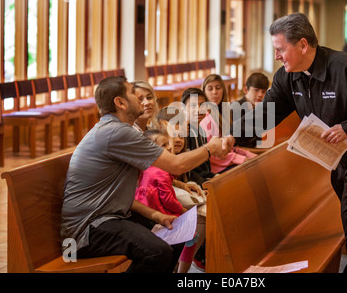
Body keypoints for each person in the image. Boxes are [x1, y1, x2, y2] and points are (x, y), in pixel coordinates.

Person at [233, 13, 347, 273]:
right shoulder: (287, 76)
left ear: (303, 45)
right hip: (334, 157)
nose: (276, 56)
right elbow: (265, 115)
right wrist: (230, 135)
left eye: (280, 49)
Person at [61, 76, 232, 273]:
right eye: (134, 94)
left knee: (174, 236)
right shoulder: (116, 132)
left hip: (108, 218)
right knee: (157, 252)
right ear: (121, 102)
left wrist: (155, 215)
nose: (141, 100)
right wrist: (210, 148)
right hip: (86, 231)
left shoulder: (119, 130)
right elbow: (176, 165)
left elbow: (115, 194)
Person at [134, 129, 205, 273]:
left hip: (146, 212)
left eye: (168, 143)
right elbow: (168, 199)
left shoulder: (146, 167)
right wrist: (183, 211)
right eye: (164, 145)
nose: (169, 147)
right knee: (191, 234)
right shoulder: (162, 172)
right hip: (160, 213)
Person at [201, 74, 256, 173]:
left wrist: (248, 155)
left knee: (258, 162)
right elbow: (213, 153)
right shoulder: (204, 117)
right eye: (210, 89)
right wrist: (242, 159)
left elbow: (231, 148)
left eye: (218, 88)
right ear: (204, 93)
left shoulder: (224, 112)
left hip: (227, 160)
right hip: (216, 167)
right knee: (253, 171)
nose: (215, 92)